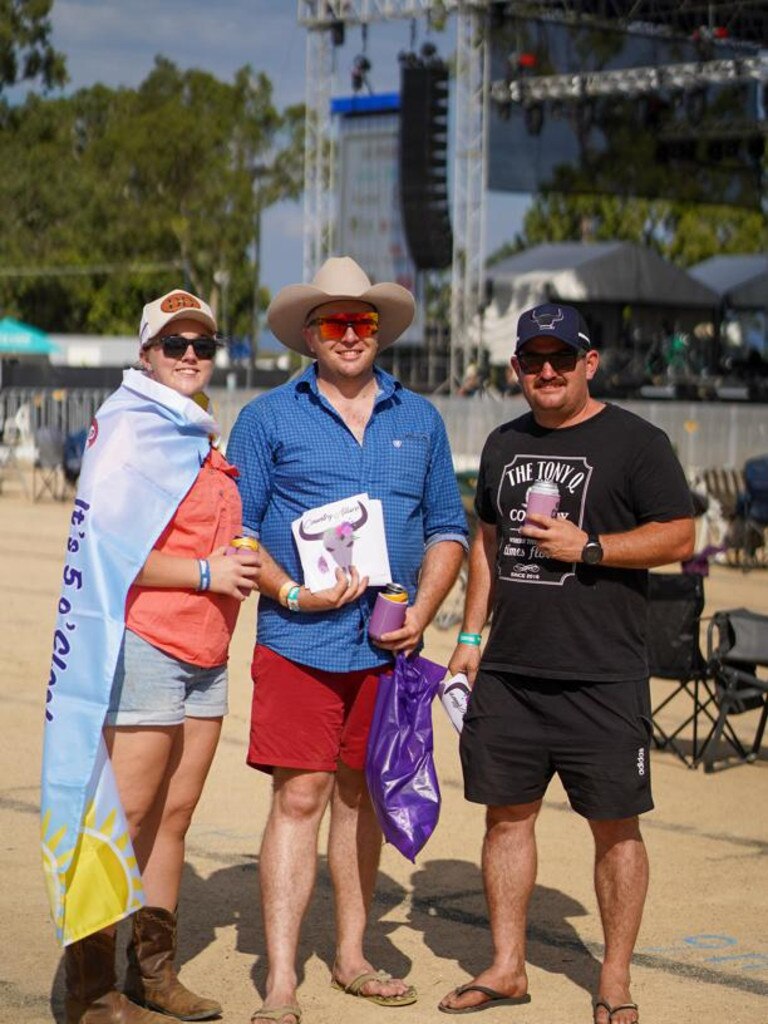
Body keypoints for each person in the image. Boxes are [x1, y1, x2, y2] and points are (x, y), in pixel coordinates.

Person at [226, 256, 468, 1024]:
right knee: (300, 795)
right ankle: (282, 983)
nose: (352, 334)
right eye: (336, 322)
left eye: (364, 322)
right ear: (309, 334)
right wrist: (293, 591)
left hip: (390, 649)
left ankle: (353, 955)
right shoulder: (267, 419)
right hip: (298, 642)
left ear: (381, 331)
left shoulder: (420, 418)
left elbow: (448, 530)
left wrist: (425, 611)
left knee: (361, 798)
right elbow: (239, 536)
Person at [438, 303, 694, 1022]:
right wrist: (469, 638)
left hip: (602, 673)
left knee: (616, 826)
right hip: (511, 674)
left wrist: (590, 548)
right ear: (516, 368)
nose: (545, 372)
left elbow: (679, 535)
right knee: (506, 820)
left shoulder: (636, 443)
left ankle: (613, 979)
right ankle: (507, 966)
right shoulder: (502, 442)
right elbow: (486, 542)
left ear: (589, 363)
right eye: (531, 360)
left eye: (560, 358)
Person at [41, 289, 260, 1024]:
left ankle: (152, 973)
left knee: (175, 816)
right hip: (147, 645)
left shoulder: (193, 433)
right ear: (146, 354)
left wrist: (235, 555)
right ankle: (87, 986)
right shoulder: (133, 430)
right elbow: (111, 552)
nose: (192, 356)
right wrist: (207, 572)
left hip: (206, 650)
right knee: (126, 817)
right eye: (176, 344)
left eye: (203, 345)